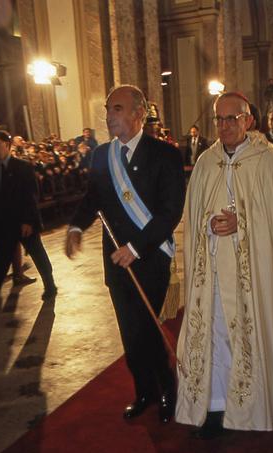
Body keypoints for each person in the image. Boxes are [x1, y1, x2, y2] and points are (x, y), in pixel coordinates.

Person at [175, 91, 273, 439]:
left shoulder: (267, 161)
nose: (224, 126)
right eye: (219, 120)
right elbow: (193, 217)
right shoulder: (207, 162)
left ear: (248, 120)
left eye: (232, 119)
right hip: (214, 273)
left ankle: (253, 407)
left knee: (250, 333)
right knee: (216, 333)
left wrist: (243, 224)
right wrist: (209, 224)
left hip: (255, 274)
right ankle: (217, 403)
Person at [65, 85, 186, 423]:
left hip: (150, 259)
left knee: (146, 329)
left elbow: (170, 211)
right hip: (115, 262)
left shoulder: (165, 155)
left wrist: (136, 248)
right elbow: (93, 198)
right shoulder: (102, 155)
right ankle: (143, 392)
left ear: (138, 114)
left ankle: (167, 392)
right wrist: (76, 227)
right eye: (107, 109)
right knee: (128, 334)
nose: (108, 116)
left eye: (116, 109)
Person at [0, 130, 57, 310]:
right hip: (4, 222)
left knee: (38, 254)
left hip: (23, 220)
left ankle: (50, 286)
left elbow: (31, 196)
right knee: (0, 261)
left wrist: (28, 221)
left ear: (6, 144)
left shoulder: (22, 167)